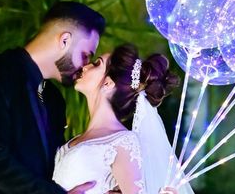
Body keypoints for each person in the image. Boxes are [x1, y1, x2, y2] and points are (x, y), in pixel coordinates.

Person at [0, 1, 105, 194]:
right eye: (85, 55)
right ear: (64, 40)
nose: (85, 65)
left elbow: (54, 167)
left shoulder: (54, 99)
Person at [52, 44, 193, 194]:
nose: (85, 67)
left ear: (107, 83)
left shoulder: (123, 143)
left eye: (96, 64)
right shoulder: (78, 138)